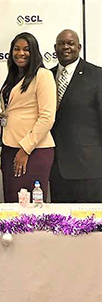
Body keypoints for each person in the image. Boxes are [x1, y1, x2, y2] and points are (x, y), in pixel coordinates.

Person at [0, 32, 56, 203]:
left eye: (26, 49)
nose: (20, 53)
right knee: (11, 201)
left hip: (33, 150)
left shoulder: (43, 75)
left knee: (30, 206)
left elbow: (47, 117)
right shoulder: (13, 75)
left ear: (34, 52)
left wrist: (25, 149)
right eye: (16, 49)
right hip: (9, 147)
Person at [50, 29, 102, 203]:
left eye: (70, 43)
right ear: (55, 48)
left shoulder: (97, 75)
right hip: (55, 167)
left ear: (79, 47)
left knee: (92, 227)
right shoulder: (45, 76)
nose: (66, 47)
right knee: (60, 226)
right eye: (61, 43)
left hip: (89, 167)